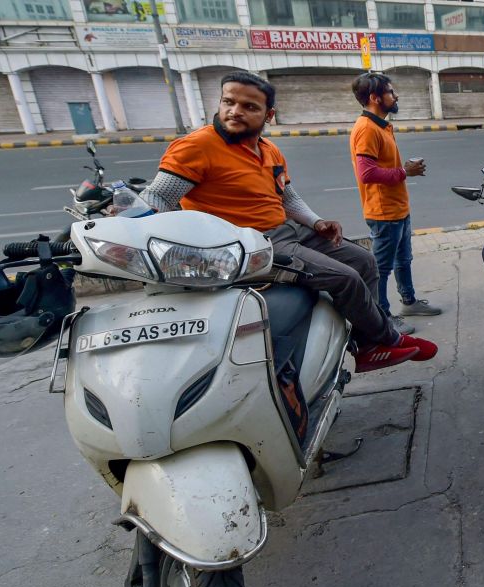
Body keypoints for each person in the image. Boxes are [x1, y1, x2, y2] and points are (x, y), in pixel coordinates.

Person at [139, 71, 436, 371]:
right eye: (228, 102)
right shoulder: (196, 146)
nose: (235, 111)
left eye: (249, 107)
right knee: (345, 279)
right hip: (253, 244)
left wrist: (317, 222)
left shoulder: (269, 150)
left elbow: (288, 198)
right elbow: (158, 198)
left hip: (289, 230)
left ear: (268, 115)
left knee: (365, 262)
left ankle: (367, 343)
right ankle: (389, 340)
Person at [350, 72, 443, 337]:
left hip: (398, 208)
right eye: (391, 92)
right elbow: (366, 174)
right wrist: (405, 172)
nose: (396, 95)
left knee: (404, 260)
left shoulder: (381, 125)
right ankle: (383, 316)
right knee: (381, 269)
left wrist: (403, 171)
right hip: (383, 213)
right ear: (374, 97)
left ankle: (409, 302)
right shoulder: (366, 130)